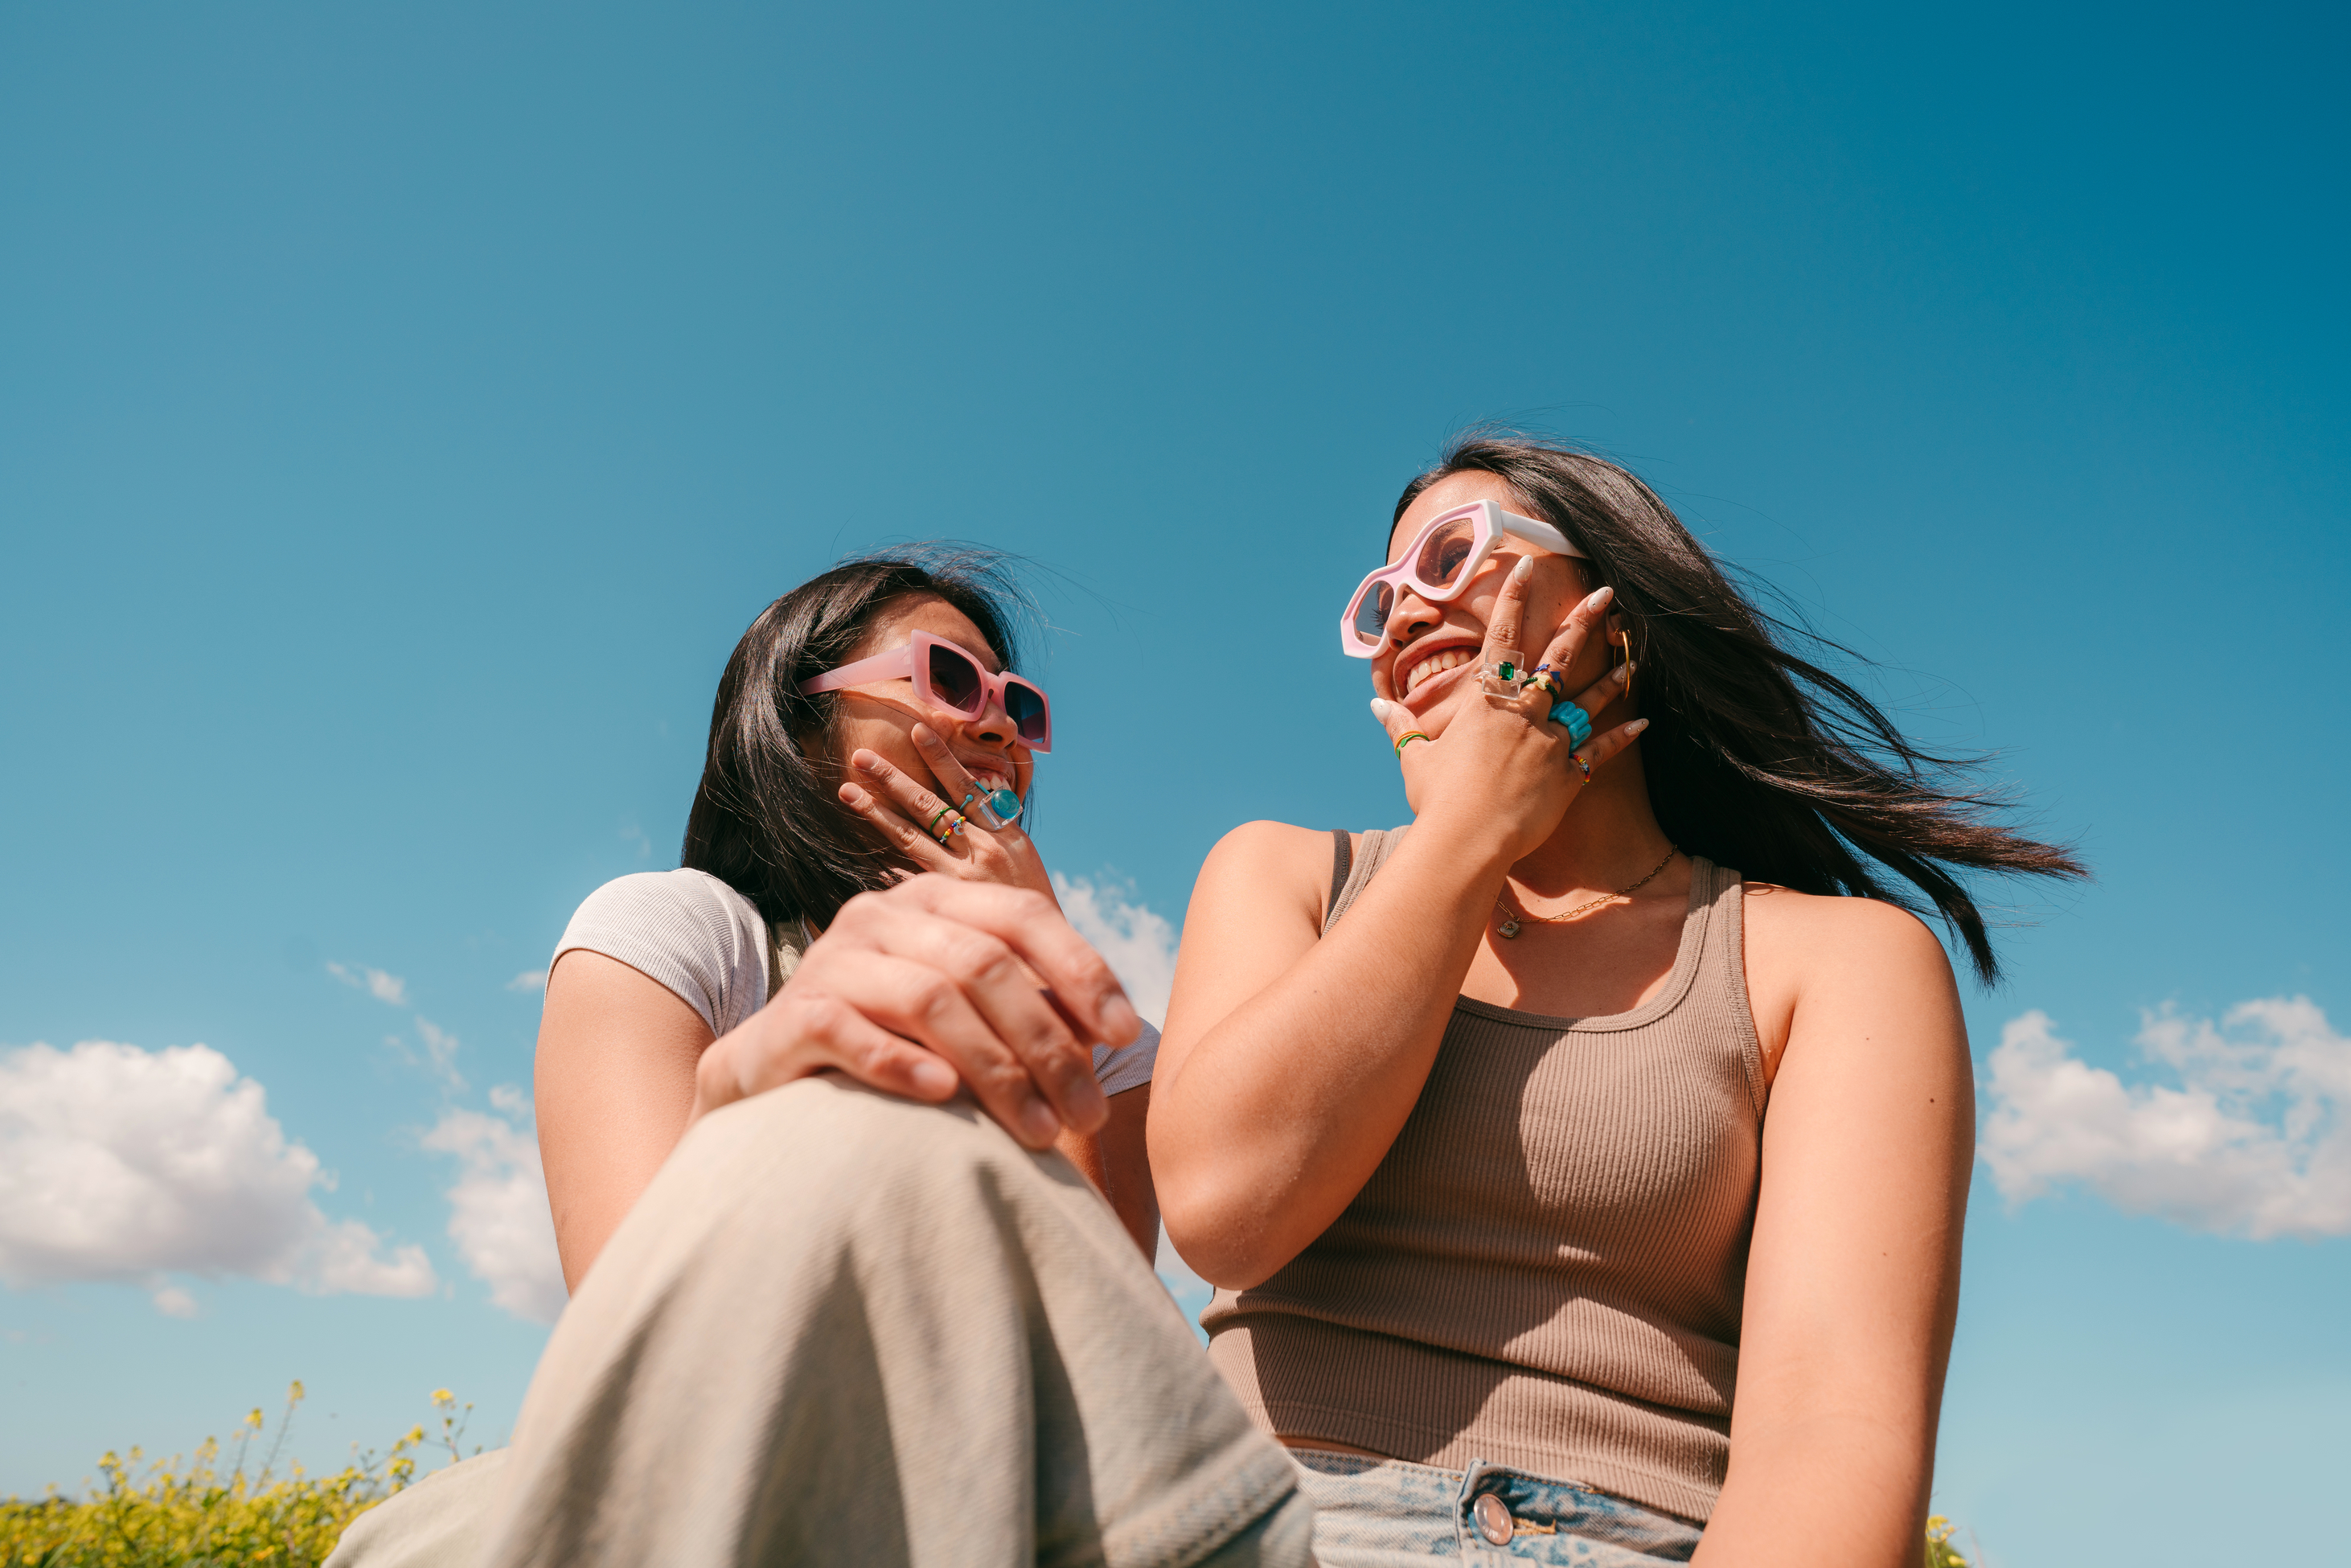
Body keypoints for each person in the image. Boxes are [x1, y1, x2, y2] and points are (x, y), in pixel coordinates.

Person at [1150, 435, 2084, 1567]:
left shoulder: (1837, 961)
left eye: (1451, 559)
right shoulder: (1283, 876)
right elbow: (1224, 1206)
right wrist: (1464, 839)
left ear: (1617, 606)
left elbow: (1834, 1438)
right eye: (1379, 601)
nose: (1404, 615)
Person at [329, 551, 1311, 1567]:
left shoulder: (1112, 1051)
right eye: (952, 679)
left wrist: (1039, 993)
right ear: (800, 728)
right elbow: (638, 1338)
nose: (997, 727)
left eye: (1020, 706)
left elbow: (1103, 1369)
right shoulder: (677, 937)